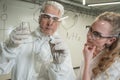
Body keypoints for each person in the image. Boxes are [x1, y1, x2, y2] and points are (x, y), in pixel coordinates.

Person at [0, 1, 76, 80]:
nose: (50, 23)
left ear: (59, 22)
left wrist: (59, 65)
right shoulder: (21, 40)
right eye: (46, 17)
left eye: (55, 19)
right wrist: (9, 48)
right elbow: (1, 69)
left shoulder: (61, 49)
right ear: (39, 18)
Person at [77, 12, 120, 80]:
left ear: (110, 40)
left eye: (97, 34)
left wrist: (87, 62)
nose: (89, 36)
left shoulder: (115, 65)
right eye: (90, 30)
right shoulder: (91, 52)